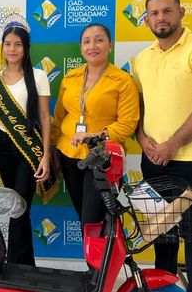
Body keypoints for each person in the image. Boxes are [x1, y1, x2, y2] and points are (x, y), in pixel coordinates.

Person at [132, 0, 192, 292]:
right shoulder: (142, 59)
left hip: (188, 161)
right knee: (163, 233)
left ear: (181, 13)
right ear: (146, 20)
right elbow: (138, 108)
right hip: (153, 161)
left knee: (190, 235)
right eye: (154, 13)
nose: (161, 18)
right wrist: (142, 139)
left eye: (167, 11)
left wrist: (172, 144)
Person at [0, 14, 55, 266]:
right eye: (8, 44)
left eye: (18, 44)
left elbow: (44, 118)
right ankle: (25, 265)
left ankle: (16, 266)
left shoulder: (38, 76)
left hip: (29, 146)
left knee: (19, 207)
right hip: (3, 144)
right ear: (2, 47)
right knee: (15, 206)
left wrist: (46, 155)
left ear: (26, 48)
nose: (12, 49)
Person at [51, 23, 139, 227]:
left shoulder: (122, 81)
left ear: (110, 45)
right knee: (84, 219)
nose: (92, 46)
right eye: (86, 41)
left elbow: (127, 124)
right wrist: (53, 150)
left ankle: (104, 250)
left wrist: (95, 135)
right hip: (70, 155)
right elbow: (59, 117)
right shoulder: (70, 78)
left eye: (99, 40)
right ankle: (93, 251)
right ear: (81, 47)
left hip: (103, 158)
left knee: (93, 221)